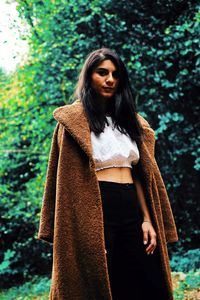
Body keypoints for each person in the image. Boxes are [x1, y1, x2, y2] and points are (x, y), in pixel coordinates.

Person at [38, 48, 178, 300]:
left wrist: (147, 219)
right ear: (89, 76)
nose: (110, 79)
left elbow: (139, 175)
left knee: (145, 280)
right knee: (101, 282)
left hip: (131, 207)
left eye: (115, 75)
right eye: (102, 73)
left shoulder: (131, 123)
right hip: (95, 206)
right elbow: (64, 182)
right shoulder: (72, 122)